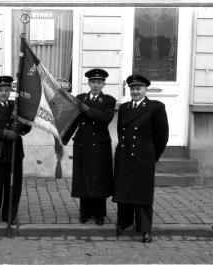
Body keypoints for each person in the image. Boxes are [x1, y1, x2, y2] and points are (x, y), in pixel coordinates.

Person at [113, 74, 169, 243]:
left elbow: (162, 136)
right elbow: (121, 132)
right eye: (133, 89)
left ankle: (145, 229)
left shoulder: (155, 107)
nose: (135, 92)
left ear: (145, 90)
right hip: (125, 156)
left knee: (143, 195)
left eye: (139, 88)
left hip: (144, 158)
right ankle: (124, 223)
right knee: (125, 191)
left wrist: (153, 155)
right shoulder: (124, 108)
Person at [0, 76, 31, 226]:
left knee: (14, 187)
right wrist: (5, 133)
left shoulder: (16, 106)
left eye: (6, 90)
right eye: (0, 90)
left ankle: (10, 215)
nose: (3, 93)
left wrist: (20, 128)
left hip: (14, 153)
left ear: (10, 91)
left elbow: (28, 125)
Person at [69, 68, 116, 226]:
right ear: (88, 83)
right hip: (83, 143)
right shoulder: (80, 98)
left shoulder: (109, 100)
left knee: (99, 178)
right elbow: (73, 119)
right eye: (93, 82)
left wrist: (88, 110)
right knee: (84, 177)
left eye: (99, 82)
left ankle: (99, 214)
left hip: (100, 145)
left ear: (103, 84)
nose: (96, 85)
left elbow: (105, 118)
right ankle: (84, 212)